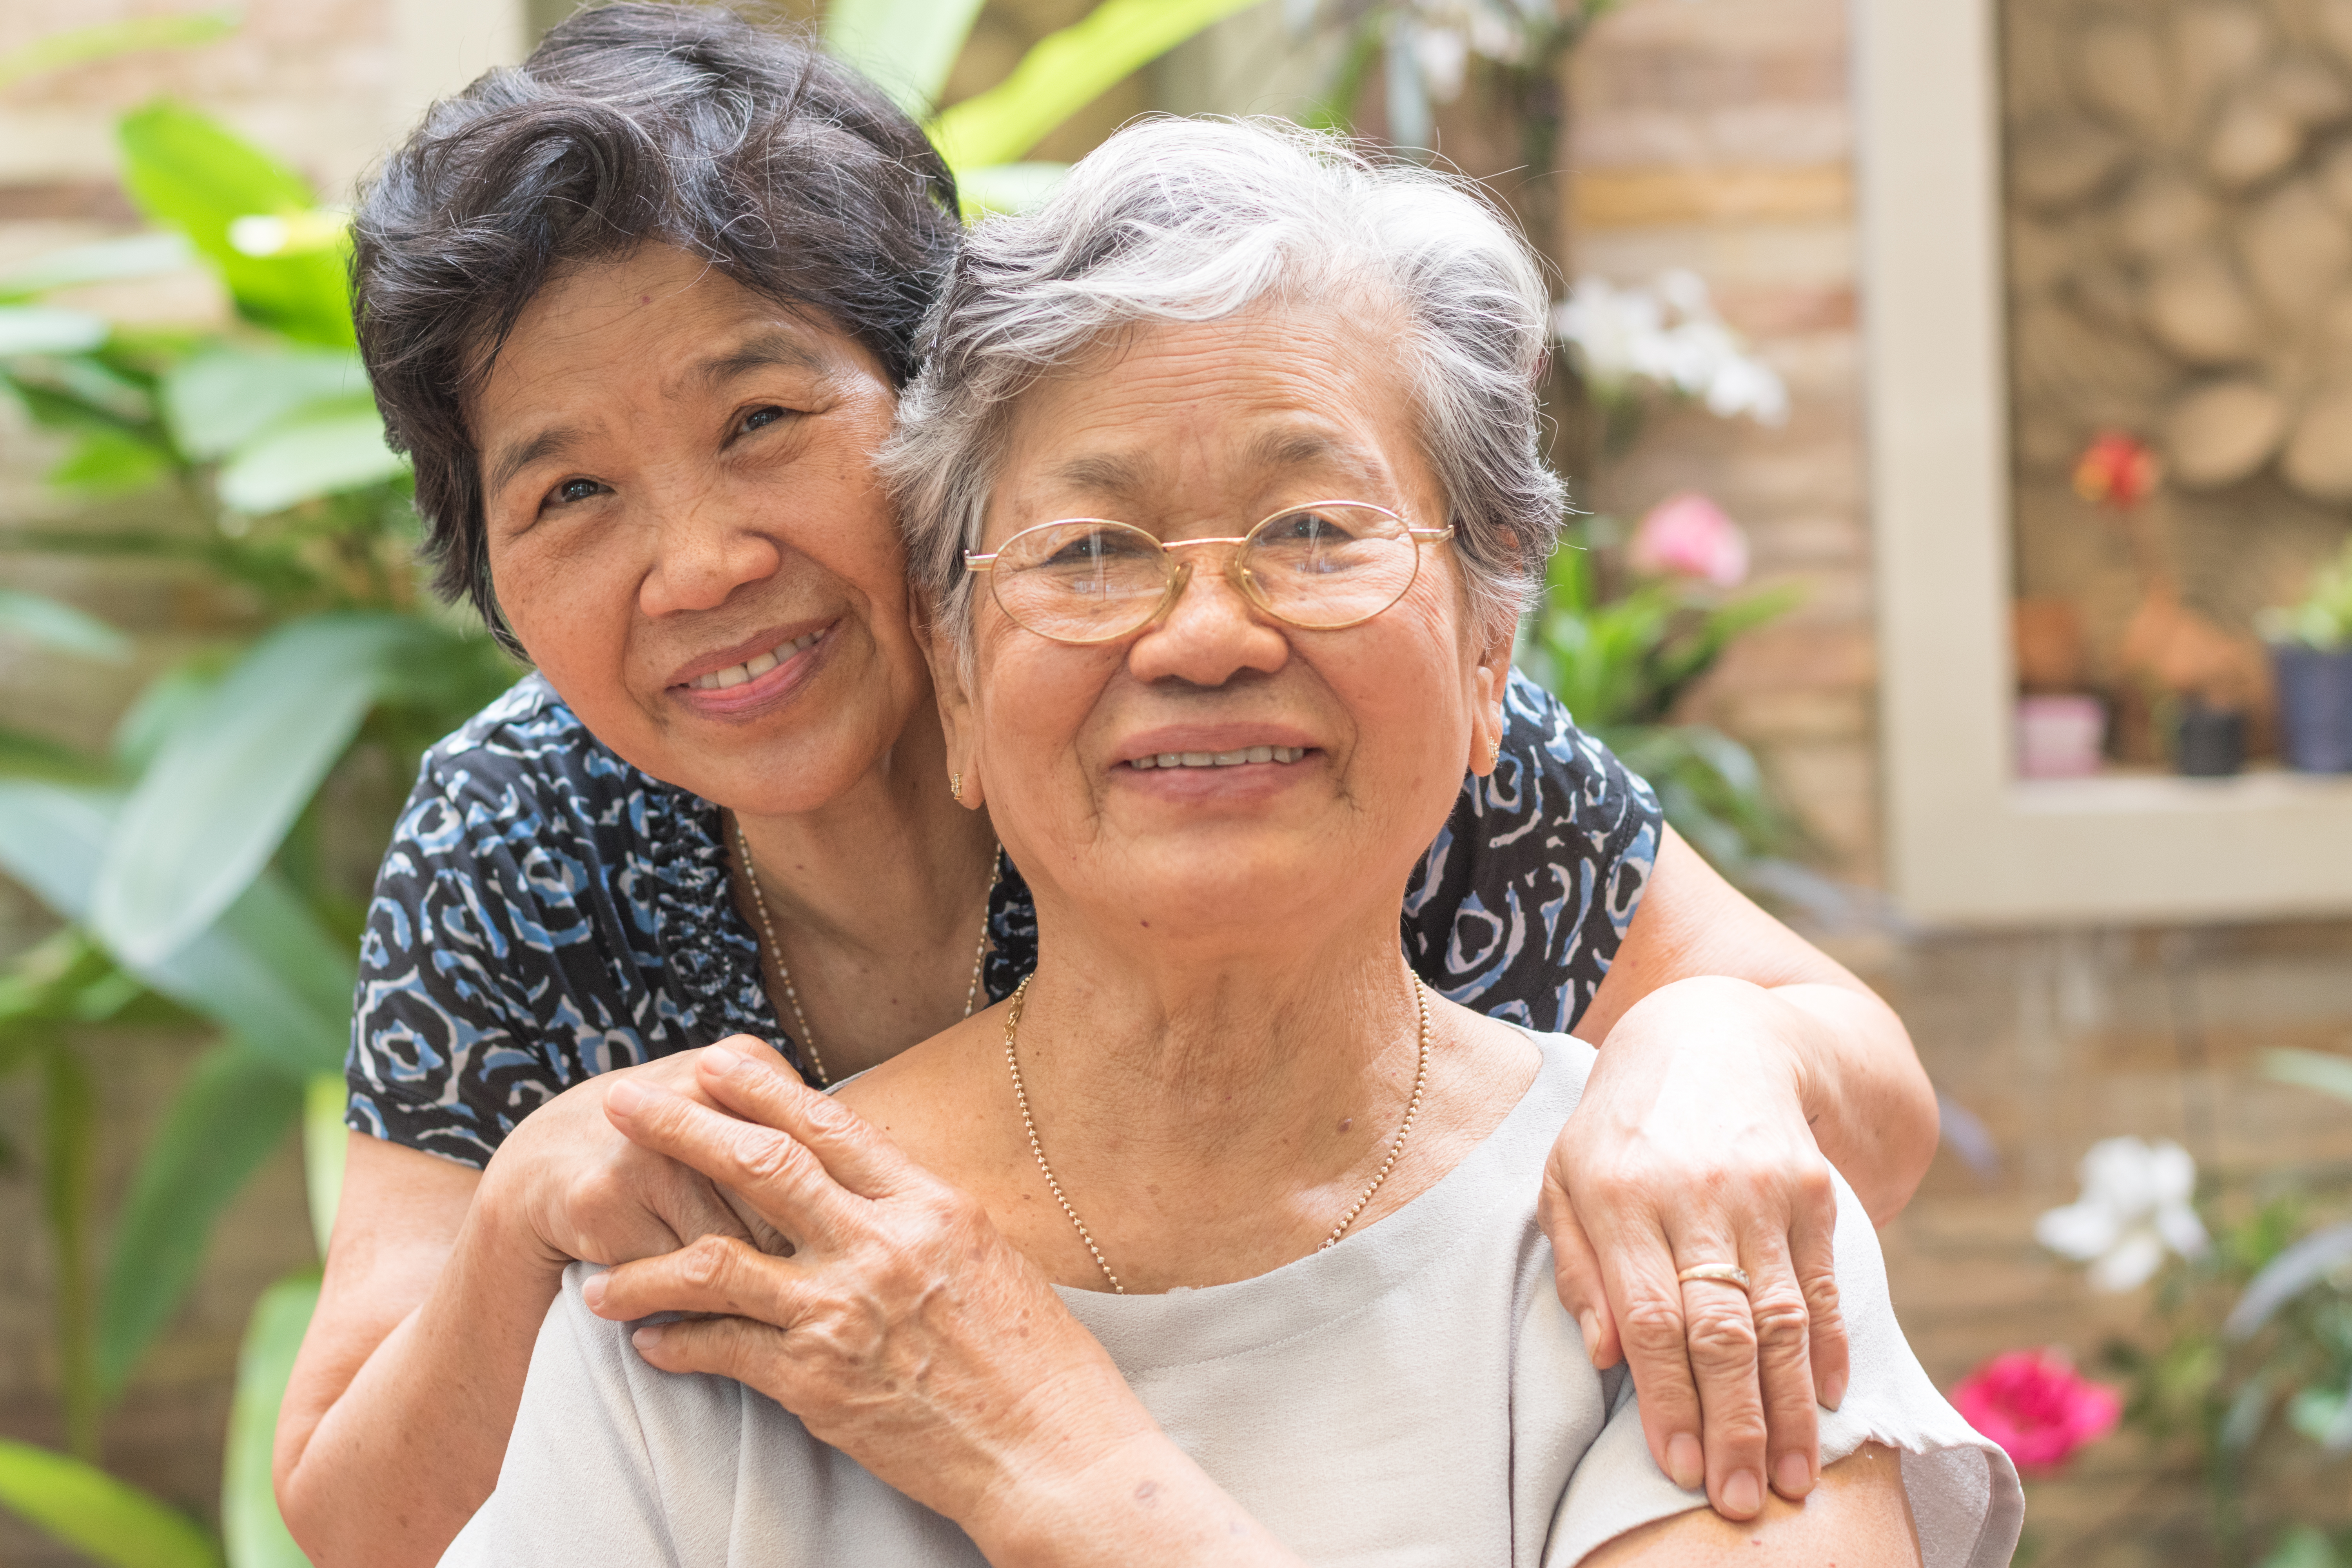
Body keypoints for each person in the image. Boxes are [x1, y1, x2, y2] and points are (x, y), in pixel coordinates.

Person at [277, 9, 1944, 1563]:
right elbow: (363, 1517)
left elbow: (1857, 1084)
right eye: (568, 492)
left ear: (938, 418)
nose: (701, 563)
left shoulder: (1329, 728)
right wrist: (520, 1225)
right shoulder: (523, 829)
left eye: (765, 416)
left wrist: (1706, 1048)